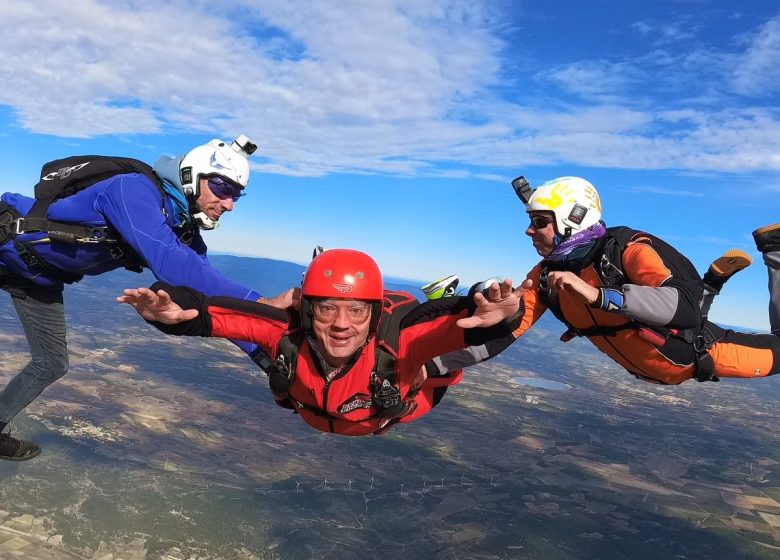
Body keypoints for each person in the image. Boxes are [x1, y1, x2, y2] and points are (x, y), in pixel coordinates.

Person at [0, 134, 288, 461]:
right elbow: (171, 262)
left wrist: (268, 355)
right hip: (4, 240)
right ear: (191, 175)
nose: (229, 204)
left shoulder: (183, 230)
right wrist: (259, 303)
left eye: (236, 194)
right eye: (222, 188)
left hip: (37, 279)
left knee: (52, 363)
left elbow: (212, 299)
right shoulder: (132, 189)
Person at [118, 249, 527, 436]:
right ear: (308, 310)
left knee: (441, 361)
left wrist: (501, 315)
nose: (341, 325)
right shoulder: (286, 333)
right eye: (327, 309)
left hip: (404, 400)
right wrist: (176, 313)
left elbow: (462, 327)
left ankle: (440, 299)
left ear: (374, 316)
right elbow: (220, 314)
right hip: (319, 405)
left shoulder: (398, 344)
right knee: (275, 353)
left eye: (357, 311)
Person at [499, 175, 780, 386]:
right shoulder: (546, 276)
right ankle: (711, 285)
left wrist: (598, 296)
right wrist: (472, 330)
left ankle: (774, 248)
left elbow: (684, 309)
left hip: (706, 354)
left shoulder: (627, 250)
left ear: (573, 218)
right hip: (659, 367)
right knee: (686, 312)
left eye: (539, 222)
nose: (528, 231)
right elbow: (505, 326)